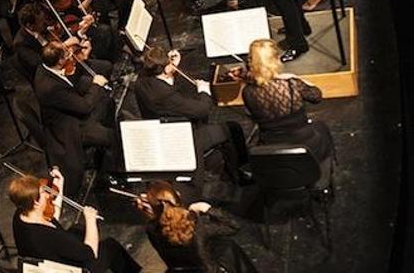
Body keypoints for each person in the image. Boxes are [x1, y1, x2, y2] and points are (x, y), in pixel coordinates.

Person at [133, 46, 246, 186]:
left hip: (159, 127)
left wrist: (172, 66)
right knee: (233, 129)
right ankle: (237, 174)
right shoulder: (166, 95)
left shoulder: (141, 81)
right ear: (166, 68)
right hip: (181, 136)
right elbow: (202, 110)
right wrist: (204, 91)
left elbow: (162, 80)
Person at [9, 169, 141, 273]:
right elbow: (90, 254)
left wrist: (60, 185)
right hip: (70, 269)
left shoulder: (21, 214)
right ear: (36, 203)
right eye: (43, 192)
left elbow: (51, 217)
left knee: (79, 229)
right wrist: (90, 220)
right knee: (111, 247)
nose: (47, 194)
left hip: (48, 258)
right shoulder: (48, 237)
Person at [240, 39, 333, 175]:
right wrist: (295, 78)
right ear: (276, 59)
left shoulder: (247, 91)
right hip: (306, 144)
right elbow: (317, 96)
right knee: (322, 129)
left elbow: (251, 115)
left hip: (270, 149)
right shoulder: (291, 83)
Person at [136, 181, 256, 272]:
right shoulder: (198, 225)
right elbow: (234, 226)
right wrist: (207, 208)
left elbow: (159, 221)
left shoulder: (151, 229)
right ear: (177, 196)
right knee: (229, 247)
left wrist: (149, 212)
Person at [33, 42, 114, 151]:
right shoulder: (52, 88)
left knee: (107, 101)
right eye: (67, 53)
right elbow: (85, 107)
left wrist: (82, 59)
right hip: (69, 126)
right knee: (109, 136)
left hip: (68, 106)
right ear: (60, 61)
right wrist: (96, 84)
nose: (71, 53)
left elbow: (68, 80)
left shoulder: (46, 64)